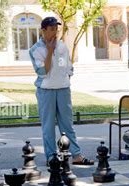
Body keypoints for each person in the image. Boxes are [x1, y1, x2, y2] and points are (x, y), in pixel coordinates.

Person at [29, 17, 94, 166]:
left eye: (56, 29)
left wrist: (66, 79)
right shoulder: (35, 50)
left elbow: (67, 66)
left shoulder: (62, 47)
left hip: (63, 90)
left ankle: (76, 155)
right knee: (48, 126)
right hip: (46, 91)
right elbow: (43, 71)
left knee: (68, 125)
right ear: (43, 30)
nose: (55, 33)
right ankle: (51, 157)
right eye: (51, 29)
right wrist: (50, 51)